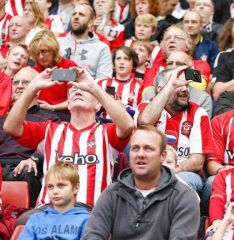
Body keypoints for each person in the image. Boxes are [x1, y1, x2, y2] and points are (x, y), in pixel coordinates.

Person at [4, 67, 134, 207]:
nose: (77, 91)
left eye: (84, 90)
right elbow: (10, 127)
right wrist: (32, 88)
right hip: (48, 211)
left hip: (91, 214)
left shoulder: (106, 133)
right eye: (72, 90)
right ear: (69, 104)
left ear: (97, 105)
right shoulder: (49, 129)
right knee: (21, 224)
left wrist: (94, 88)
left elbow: (128, 125)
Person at [82, 125, 200, 239]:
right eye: (135, 148)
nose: (140, 154)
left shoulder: (184, 197)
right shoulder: (112, 193)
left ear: (162, 156)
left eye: (148, 149)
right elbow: (93, 235)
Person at [137, 66, 214, 194]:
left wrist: (172, 169)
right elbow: (145, 122)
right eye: (177, 84)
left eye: (186, 85)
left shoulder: (198, 113)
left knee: (178, 181)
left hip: (184, 172)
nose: (185, 89)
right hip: (149, 168)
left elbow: (197, 162)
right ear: (161, 89)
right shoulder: (146, 106)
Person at [1, 67, 59, 207]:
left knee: (27, 171)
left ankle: (26, 221)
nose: (20, 86)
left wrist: (34, 158)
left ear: (38, 88)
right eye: (16, 82)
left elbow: (54, 143)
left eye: (26, 82)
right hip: (1, 164)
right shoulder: (2, 119)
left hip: (26, 165)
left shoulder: (50, 118)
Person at [19, 161, 90, 239]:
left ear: (76, 188)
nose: (55, 191)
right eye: (50, 187)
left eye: (61, 185)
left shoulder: (86, 220)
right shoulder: (35, 219)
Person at [30, 30, 77, 119]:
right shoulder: (34, 70)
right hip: (37, 115)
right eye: (37, 53)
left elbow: (75, 99)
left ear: (53, 50)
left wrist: (52, 107)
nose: (40, 56)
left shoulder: (68, 67)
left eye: (44, 51)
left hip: (62, 115)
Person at [59, 3, 113, 79]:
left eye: (81, 14)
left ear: (91, 22)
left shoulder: (102, 48)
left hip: (87, 90)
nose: (76, 17)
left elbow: (103, 81)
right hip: (57, 89)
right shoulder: (58, 43)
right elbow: (48, 74)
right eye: (74, 14)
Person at [97, 46, 140, 119]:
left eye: (126, 59)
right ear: (114, 63)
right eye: (118, 58)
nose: (121, 62)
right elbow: (93, 107)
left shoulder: (140, 86)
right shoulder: (102, 83)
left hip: (128, 126)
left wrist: (124, 108)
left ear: (133, 65)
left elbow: (140, 113)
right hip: (103, 123)